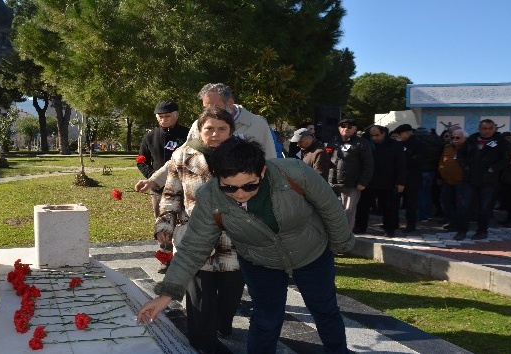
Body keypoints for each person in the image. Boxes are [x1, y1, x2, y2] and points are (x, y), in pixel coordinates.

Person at [137, 138, 355, 354]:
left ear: (262, 172)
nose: (240, 194)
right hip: (259, 261)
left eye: (249, 185)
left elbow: (330, 208)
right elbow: (193, 248)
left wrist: (341, 243)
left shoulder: (294, 173)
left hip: (311, 253)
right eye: (229, 188)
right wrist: (165, 295)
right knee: (266, 319)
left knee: (325, 311)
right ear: (217, 178)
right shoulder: (211, 197)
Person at [155, 106, 244, 353]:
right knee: (200, 295)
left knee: (231, 292)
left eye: (222, 129)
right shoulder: (183, 155)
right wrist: (165, 223)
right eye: (209, 128)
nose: (215, 134)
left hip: (234, 237)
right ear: (200, 129)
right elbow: (171, 193)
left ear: (231, 130)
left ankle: (221, 324)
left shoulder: (244, 155)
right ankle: (202, 340)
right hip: (197, 236)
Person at [135, 83, 277, 193]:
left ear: (230, 102)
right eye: (205, 107)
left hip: (246, 194)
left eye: (215, 106)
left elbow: (271, 161)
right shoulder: (199, 125)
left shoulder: (257, 124)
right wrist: (154, 180)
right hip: (209, 197)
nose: (210, 111)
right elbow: (181, 156)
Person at [137, 100, 190, 272]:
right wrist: (152, 177)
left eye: (167, 116)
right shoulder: (150, 136)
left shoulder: (188, 134)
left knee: (184, 222)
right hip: (158, 189)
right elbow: (141, 160)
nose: (164, 120)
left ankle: (185, 258)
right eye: (160, 117)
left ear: (176, 116)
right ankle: (165, 259)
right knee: (163, 223)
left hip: (183, 187)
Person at [454, 119, 509, 240]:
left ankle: (482, 231)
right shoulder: (471, 140)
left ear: (494, 129)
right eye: (484, 128)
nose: (487, 131)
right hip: (471, 179)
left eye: (490, 128)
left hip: (489, 180)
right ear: (480, 129)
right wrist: (466, 167)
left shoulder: (500, 141)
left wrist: (493, 168)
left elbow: (505, 159)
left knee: (485, 207)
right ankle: (462, 231)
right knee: (464, 205)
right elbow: (460, 155)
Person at [354, 125, 406, 237]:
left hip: (387, 181)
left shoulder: (395, 145)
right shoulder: (366, 144)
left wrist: (401, 182)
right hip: (368, 181)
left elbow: (401, 165)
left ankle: (389, 229)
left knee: (388, 207)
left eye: (377, 135)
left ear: (383, 134)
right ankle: (360, 227)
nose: (374, 138)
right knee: (363, 206)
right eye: (372, 135)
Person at [325, 118, 374, 230]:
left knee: (348, 211)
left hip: (352, 184)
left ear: (355, 129)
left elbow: (368, 164)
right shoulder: (333, 141)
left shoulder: (361, 143)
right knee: (332, 210)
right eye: (343, 126)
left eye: (350, 126)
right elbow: (326, 159)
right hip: (332, 182)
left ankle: (346, 236)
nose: (346, 128)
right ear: (339, 128)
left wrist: (363, 182)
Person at [392, 124, 423, 233]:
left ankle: (411, 225)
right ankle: (393, 223)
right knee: (394, 202)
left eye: (400, 134)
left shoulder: (418, 144)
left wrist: (404, 153)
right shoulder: (397, 144)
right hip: (398, 178)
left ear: (407, 133)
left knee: (411, 203)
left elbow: (417, 160)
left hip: (412, 178)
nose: (398, 136)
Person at [437, 128, 467, 231]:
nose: (454, 139)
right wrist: (441, 172)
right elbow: (442, 161)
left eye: (457, 137)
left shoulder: (468, 148)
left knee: (460, 204)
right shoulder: (447, 147)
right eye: (453, 137)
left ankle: (460, 224)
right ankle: (451, 222)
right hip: (447, 181)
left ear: (464, 138)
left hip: (461, 182)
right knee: (445, 202)